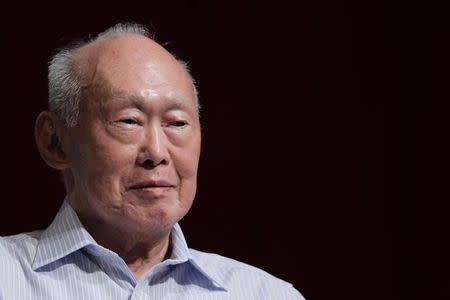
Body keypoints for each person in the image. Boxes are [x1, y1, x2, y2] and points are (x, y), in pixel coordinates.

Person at [0, 23, 304, 299]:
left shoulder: (266, 294)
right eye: (129, 121)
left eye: (177, 123)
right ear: (55, 142)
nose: (157, 153)